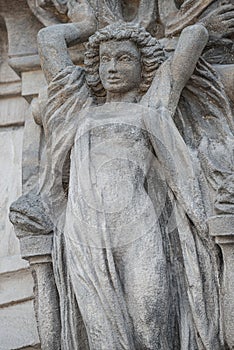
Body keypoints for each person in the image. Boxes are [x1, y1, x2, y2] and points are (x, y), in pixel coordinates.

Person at [11, 1, 234, 349]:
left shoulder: (152, 108)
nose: (112, 68)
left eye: (124, 58)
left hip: (141, 227)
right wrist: (88, 26)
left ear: (143, 66)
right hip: (84, 233)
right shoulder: (78, 110)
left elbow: (194, 35)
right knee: (101, 335)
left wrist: (211, 220)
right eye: (104, 60)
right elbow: (49, 39)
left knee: (151, 323)